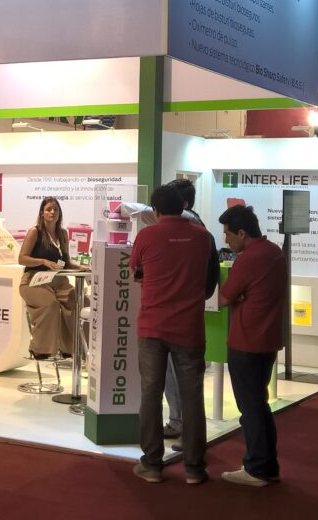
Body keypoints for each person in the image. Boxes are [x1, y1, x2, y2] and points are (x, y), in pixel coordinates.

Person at [120, 178, 220, 440]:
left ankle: (152, 457)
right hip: (189, 325)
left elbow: (136, 270)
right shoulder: (203, 235)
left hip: (153, 324)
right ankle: (194, 458)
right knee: (193, 393)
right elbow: (209, 274)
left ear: (156, 210)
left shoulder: (148, 235)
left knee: (150, 393)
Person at [217, 204, 287, 487]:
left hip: (246, 341)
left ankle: (257, 468)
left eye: (228, 234)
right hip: (267, 341)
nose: (226, 240)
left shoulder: (248, 259)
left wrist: (238, 296)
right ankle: (267, 466)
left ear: (242, 233)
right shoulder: (274, 252)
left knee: (251, 408)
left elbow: (224, 297)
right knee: (259, 404)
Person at [18, 197, 85, 359]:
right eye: (48, 209)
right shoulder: (35, 232)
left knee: (78, 301)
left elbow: (66, 262)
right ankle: (40, 349)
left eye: (55, 209)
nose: (52, 212)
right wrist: (43, 261)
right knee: (50, 303)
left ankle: (71, 348)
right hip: (34, 280)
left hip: (58, 280)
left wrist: (81, 268)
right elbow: (22, 258)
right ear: (42, 213)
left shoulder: (63, 234)